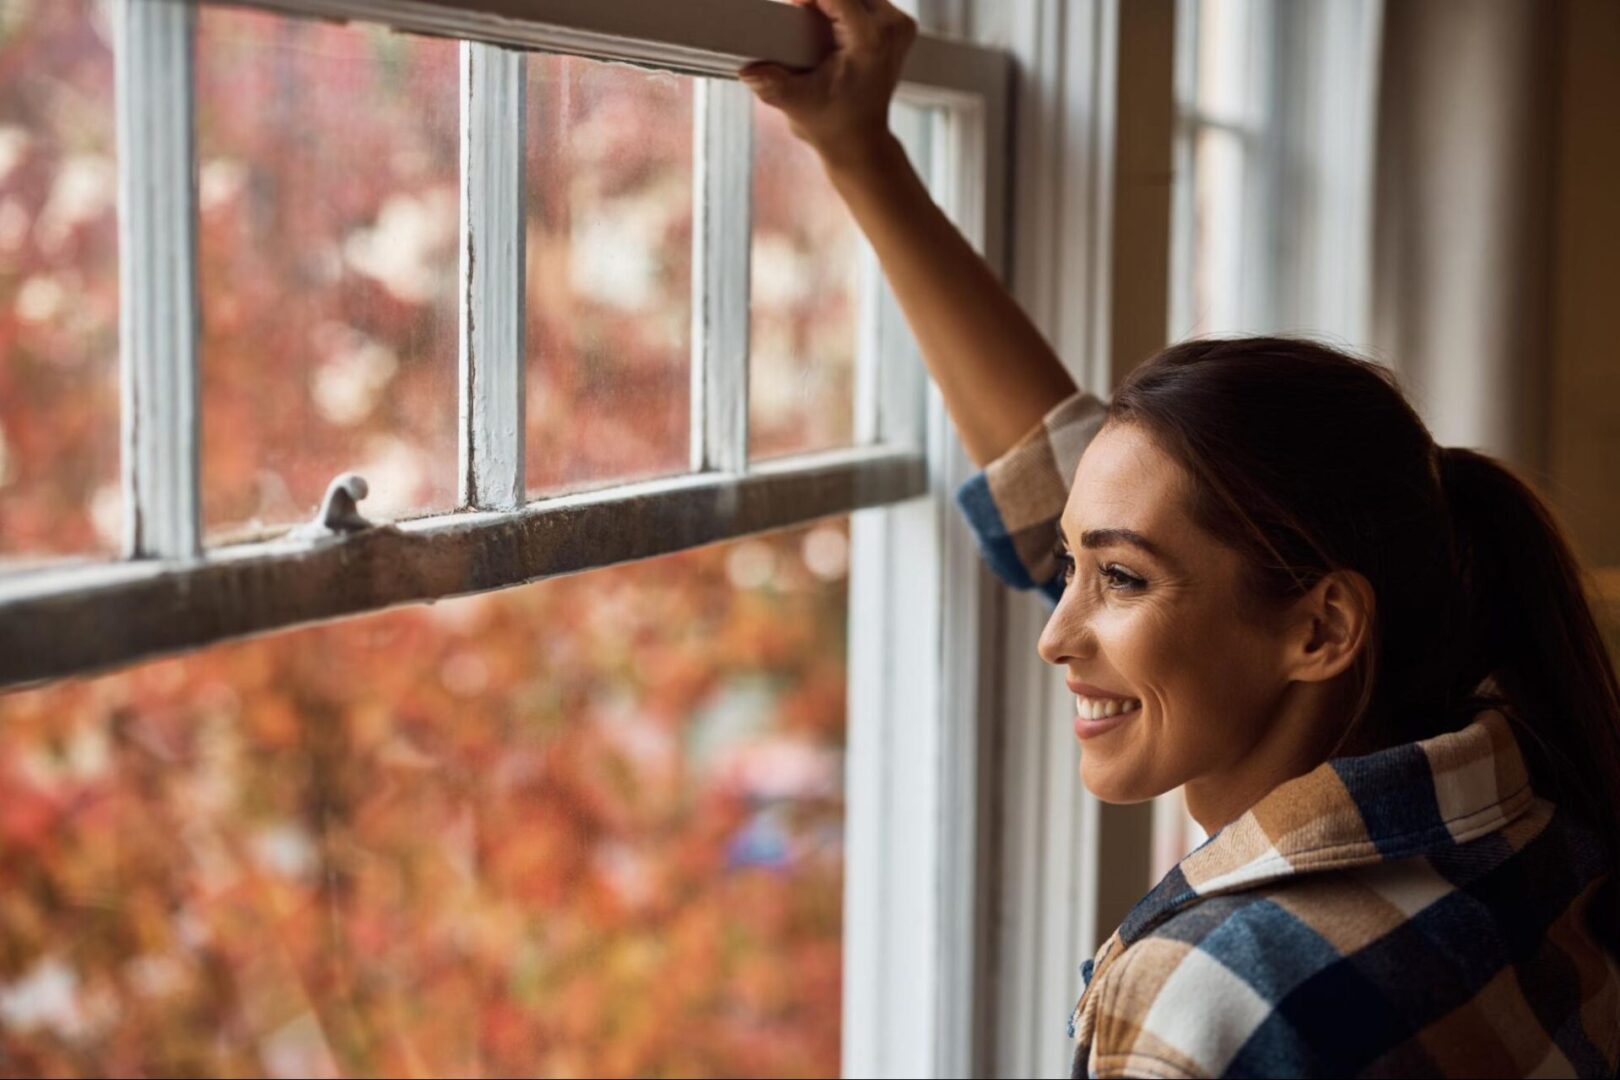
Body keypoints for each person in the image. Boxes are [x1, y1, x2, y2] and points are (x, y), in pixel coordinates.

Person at [740, 1, 1620, 1077]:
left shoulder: (1213, 1005)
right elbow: (1078, 479)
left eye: (1116, 578)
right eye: (1072, 566)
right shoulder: (1531, 793)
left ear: (1323, 627)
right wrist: (860, 150)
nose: (1053, 635)